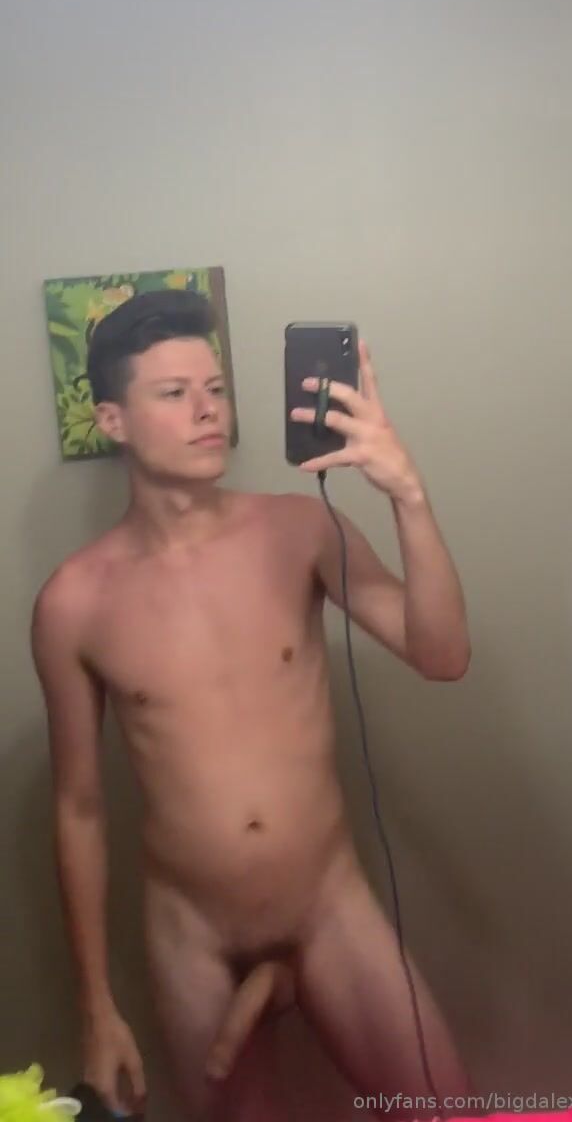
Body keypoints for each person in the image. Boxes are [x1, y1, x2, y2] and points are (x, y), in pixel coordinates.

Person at [31, 290, 472, 1122]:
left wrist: (407, 495)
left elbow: (442, 656)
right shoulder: (74, 604)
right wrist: (97, 1008)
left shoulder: (299, 531)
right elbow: (79, 809)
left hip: (329, 908)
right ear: (114, 420)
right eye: (174, 393)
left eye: (216, 389)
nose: (208, 410)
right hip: (192, 935)